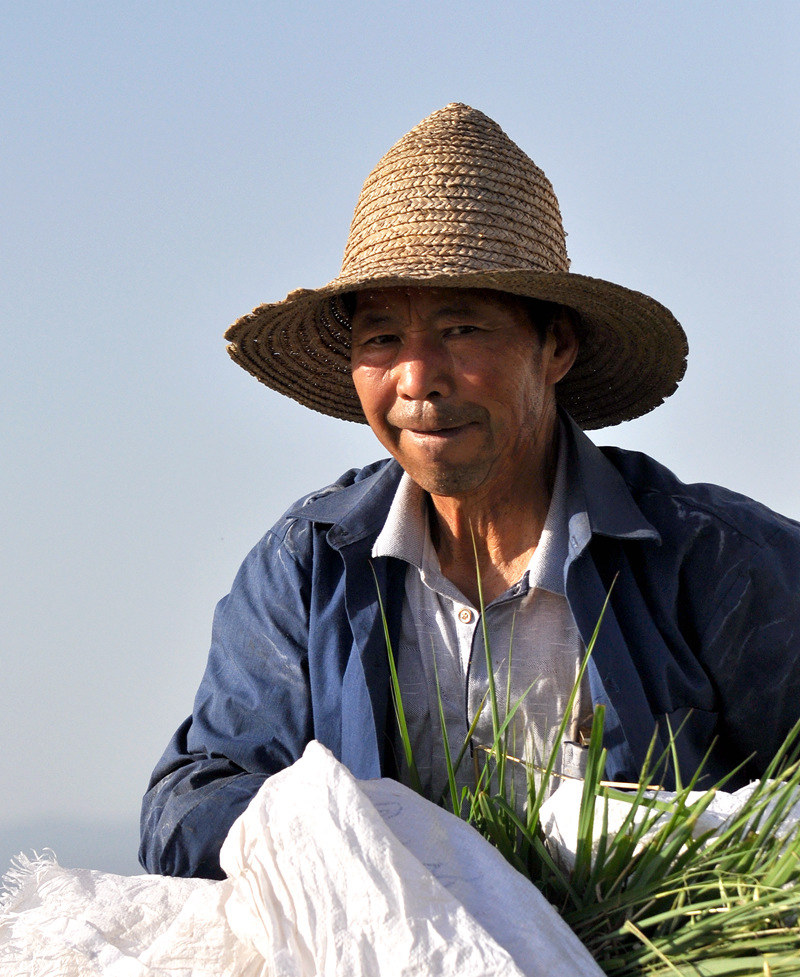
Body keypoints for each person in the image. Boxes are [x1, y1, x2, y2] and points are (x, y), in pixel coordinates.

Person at [140, 103, 800, 880]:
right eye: (382, 338)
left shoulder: (714, 559)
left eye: (461, 330)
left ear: (555, 346)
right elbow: (187, 805)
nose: (418, 379)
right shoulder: (311, 568)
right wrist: (364, 835)